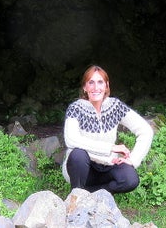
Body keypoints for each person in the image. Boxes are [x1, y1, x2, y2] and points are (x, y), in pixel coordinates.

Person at [62, 65, 154, 194]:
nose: (95, 87)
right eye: (91, 82)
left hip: (108, 165)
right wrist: (111, 147)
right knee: (78, 154)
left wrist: (133, 160)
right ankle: (77, 196)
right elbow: (71, 139)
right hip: (83, 168)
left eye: (100, 82)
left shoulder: (115, 106)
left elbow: (145, 130)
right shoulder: (76, 108)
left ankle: (93, 194)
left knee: (130, 180)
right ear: (85, 87)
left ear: (106, 86)